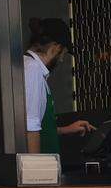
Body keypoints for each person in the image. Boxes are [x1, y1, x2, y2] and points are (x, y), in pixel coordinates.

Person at [23, 17, 93, 153]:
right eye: (63, 54)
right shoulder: (32, 70)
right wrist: (35, 171)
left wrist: (66, 129)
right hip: (40, 171)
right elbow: (30, 128)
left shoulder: (32, 68)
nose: (61, 60)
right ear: (55, 48)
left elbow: (40, 127)